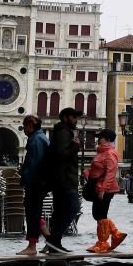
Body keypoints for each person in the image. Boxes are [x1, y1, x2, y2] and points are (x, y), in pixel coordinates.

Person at [43, 107, 83, 253]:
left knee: (60, 211)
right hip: (64, 179)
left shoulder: (63, 131)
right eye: (73, 117)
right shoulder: (63, 132)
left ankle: (55, 244)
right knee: (73, 208)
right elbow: (61, 154)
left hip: (61, 178)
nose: (76, 120)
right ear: (65, 117)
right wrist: (75, 145)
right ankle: (54, 239)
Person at [83, 129, 127, 253]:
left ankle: (103, 243)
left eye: (100, 137)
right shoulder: (102, 152)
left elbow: (110, 173)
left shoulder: (109, 153)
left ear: (107, 139)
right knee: (99, 214)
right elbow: (98, 169)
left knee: (100, 214)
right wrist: (88, 172)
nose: (98, 139)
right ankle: (115, 234)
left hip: (105, 189)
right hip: (98, 187)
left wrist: (103, 189)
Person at [17, 114, 48, 256]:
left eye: (24, 126)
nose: (23, 129)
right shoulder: (40, 138)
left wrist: (25, 179)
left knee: (32, 214)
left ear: (30, 126)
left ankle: (32, 246)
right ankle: (50, 240)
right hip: (39, 182)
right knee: (34, 212)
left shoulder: (36, 140)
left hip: (35, 182)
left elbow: (34, 164)